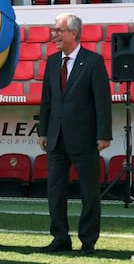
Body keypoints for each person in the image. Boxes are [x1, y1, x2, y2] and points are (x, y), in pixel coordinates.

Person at [38, 13, 112, 255]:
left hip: (85, 138)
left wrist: (103, 134)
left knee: (89, 192)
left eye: (58, 30)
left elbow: (102, 102)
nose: (54, 35)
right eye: (54, 30)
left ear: (74, 33)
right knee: (55, 191)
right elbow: (47, 100)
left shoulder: (93, 61)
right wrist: (42, 130)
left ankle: (88, 241)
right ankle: (60, 238)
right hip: (55, 137)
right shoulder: (51, 62)